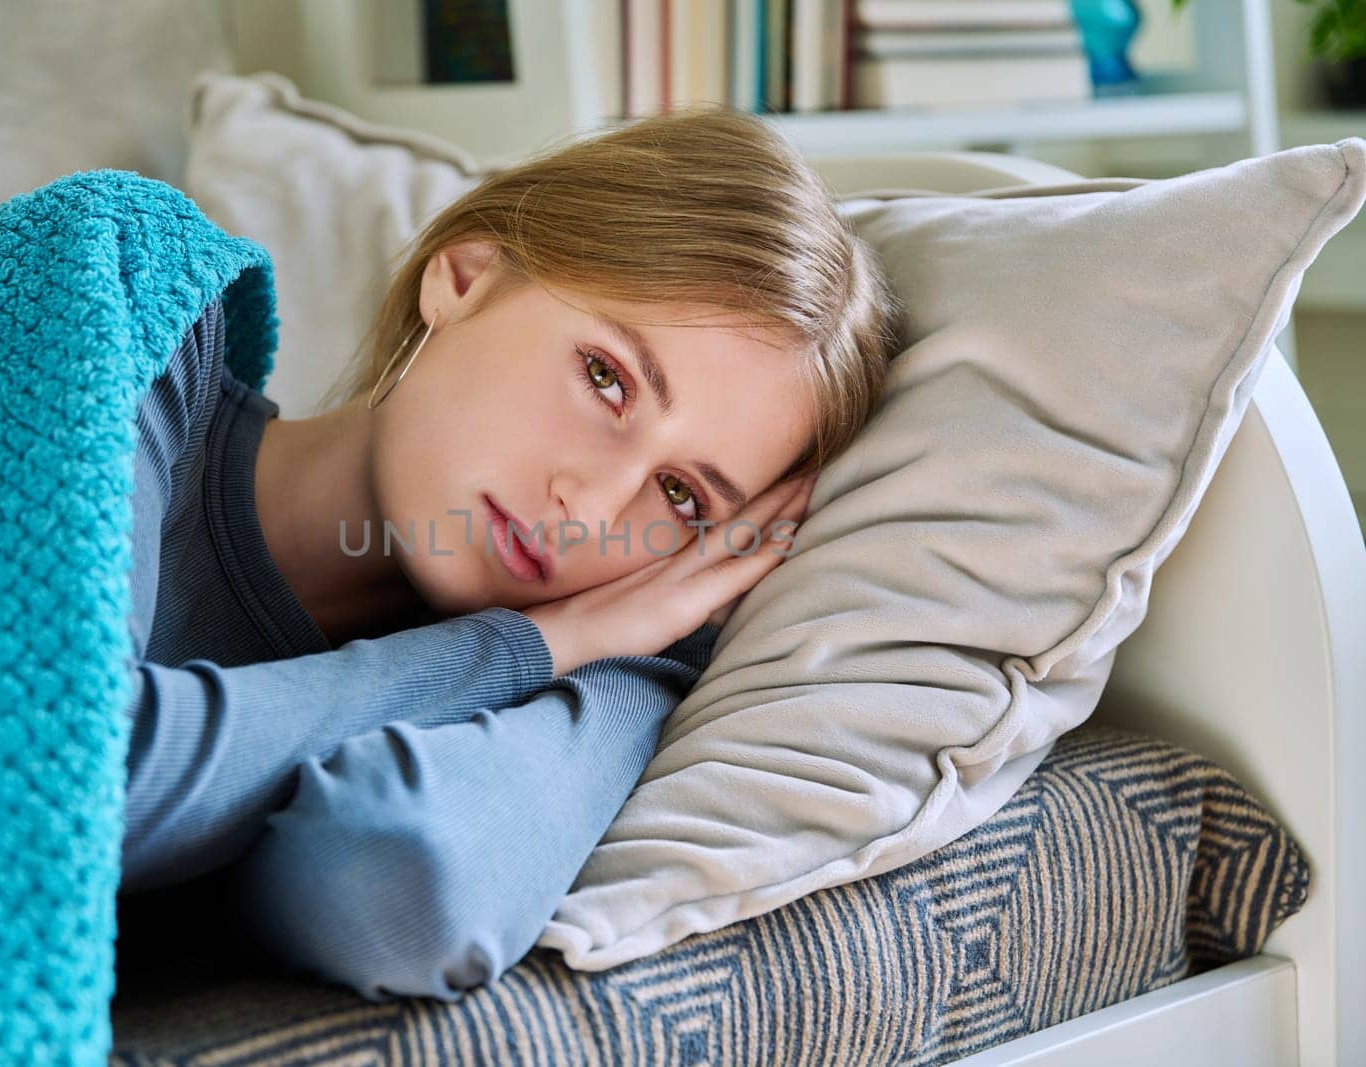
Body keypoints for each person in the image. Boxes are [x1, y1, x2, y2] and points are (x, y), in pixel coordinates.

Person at [113, 105, 905, 1003]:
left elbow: (398, 882)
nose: (594, 505)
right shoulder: (124, 321)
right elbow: (67, 776)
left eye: (681, 496)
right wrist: (541, 642)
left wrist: (638, 657)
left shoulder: (607, 633)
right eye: (608, 378)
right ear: (465, 276)